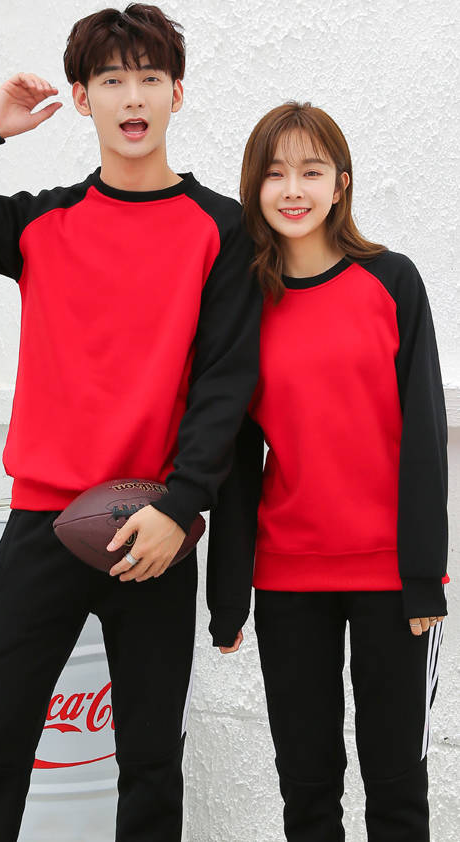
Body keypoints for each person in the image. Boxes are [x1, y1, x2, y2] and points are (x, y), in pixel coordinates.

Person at [0, 5, 262, 841]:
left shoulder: (220, 227)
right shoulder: (38, 221)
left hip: (154, 529)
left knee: (151, 763)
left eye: (150, 77)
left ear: (177, 93)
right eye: (112, 79)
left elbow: (226, 384)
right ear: (82, 98)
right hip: (42, 525)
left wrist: (181, 506)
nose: (133, 97)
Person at [206, 101, 448, 841]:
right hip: (288, 581)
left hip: (390, 582)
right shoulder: (244, 305)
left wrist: (422, 575)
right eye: (274, 173)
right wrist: (228, 595)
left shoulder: (391, 281)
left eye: (311, 171)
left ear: (340, 183)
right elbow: (236, 458)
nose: (292, 189)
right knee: (307, 790)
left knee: (396, 787)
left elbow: (425, 435)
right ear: (253, 187)